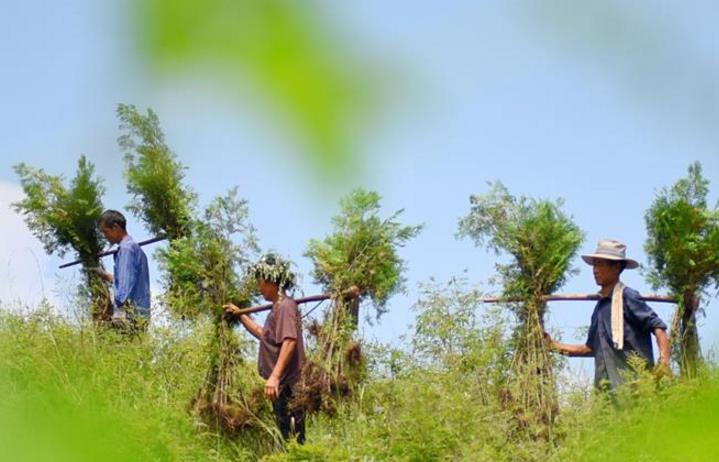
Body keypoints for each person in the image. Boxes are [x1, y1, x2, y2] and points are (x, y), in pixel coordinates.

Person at [546, 239, 670, 390]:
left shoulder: (627, 296)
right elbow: (590, 348)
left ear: (616, 267)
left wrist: (664, 361)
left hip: (635, 388)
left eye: (600, 264)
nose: (595, 270)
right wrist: (553, 346)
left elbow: (658, 327)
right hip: (606, 393)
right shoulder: (599, 308)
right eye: (594, 264)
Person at [224, 254, 306, 444]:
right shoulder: (276, 309)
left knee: (293, 439)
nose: (259, 287)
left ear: (271, 282)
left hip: (289, 386)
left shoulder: (286, 306)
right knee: (285, 436)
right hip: (282, 387)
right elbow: (264, 335)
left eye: (260, 281)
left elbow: (289, 341)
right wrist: (240, 315)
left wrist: (275, 377)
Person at [97, 209, 151, 331]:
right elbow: (127, 279)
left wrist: (119, 310)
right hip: (141, 315)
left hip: (129, 316)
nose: (105, 237)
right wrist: (106, 276)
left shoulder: (126, 249)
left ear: (115, 227)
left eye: (105, 232)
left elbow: (125, 286)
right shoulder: (135, 249)